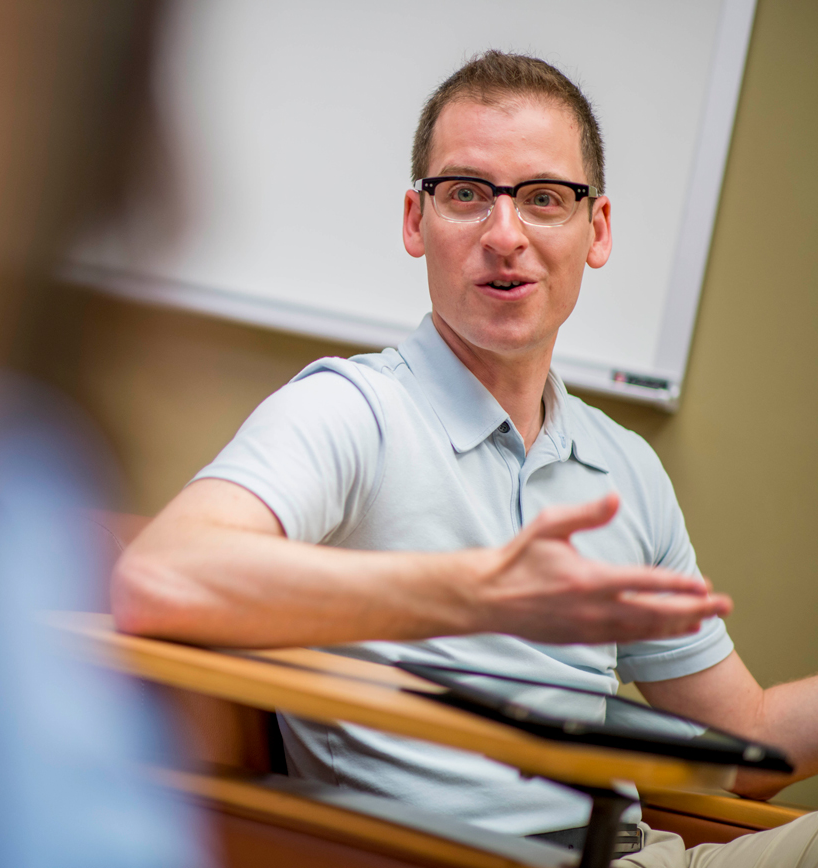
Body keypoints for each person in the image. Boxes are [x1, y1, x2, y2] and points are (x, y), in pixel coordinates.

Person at [111, 51, 818, 865]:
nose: (506, 235)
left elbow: (750, 745)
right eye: (467, 194)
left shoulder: (626, 470)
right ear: (416, 221)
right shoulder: (351, 411)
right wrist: (478, 592)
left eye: (546, 199)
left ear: (599, 230)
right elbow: (159, 576)